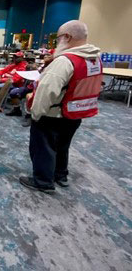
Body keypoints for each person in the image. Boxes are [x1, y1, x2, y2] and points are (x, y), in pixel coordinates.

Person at [19, 20, 103, 193]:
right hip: (75, 113)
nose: (56, 43)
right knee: (62, 147)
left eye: (57, 39)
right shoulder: (94, 59)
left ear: (67, 37)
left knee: (43, 148)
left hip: (53, 115)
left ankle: (43, 181)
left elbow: (47, 92)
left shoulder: (65, 61)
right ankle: (60, 175)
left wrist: (35, 113)